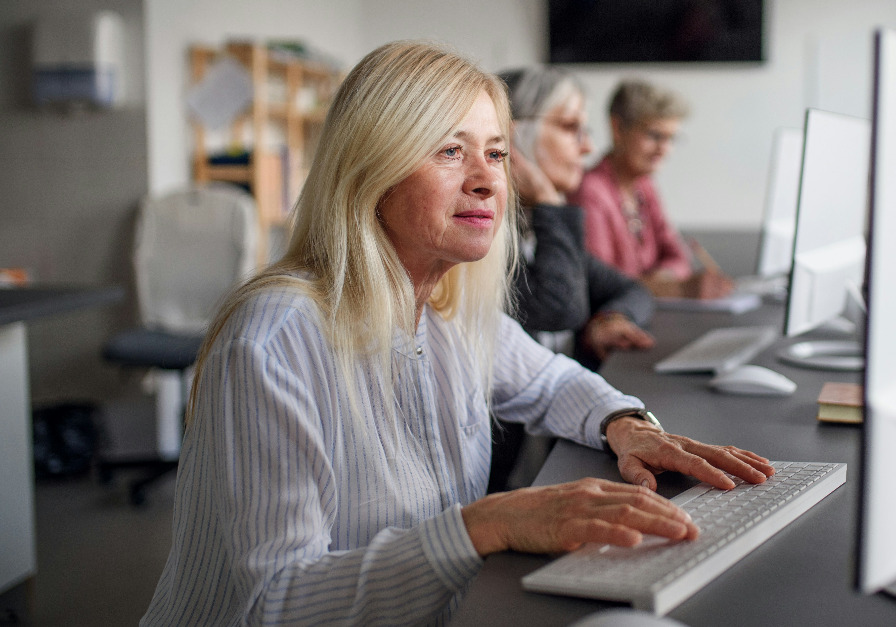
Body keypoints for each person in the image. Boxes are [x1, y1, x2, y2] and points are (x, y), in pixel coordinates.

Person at [140, 42, 774, 626]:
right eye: (449, 150)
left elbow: (551, 382)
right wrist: (487, 523)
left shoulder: (445, 307)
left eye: (496, 153)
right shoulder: (274, 341)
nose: (487, 179)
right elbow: (271, 604)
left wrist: (626, 422)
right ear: (370, 170)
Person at [500, 66, 655, 370]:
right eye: (571, 127)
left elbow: (633, 290)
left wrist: (608, 320)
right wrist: (548, 200)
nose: (588, 147)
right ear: (511, 137)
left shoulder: (533, 228)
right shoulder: (483, 243)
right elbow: (560, 310)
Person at [570, 79, 734, 299]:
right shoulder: (590, 192)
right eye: (655, 136)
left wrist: (661, 279)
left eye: (671, 138)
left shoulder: (644, 186)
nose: (664, 150)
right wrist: (672, 287)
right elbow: (600, 287)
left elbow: (678, 257)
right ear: (617, 128)